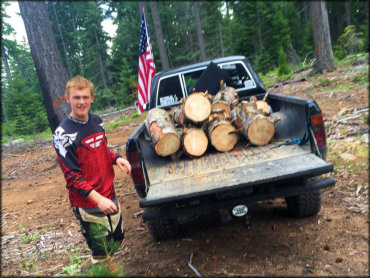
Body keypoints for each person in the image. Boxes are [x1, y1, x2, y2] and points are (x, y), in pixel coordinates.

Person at [52, 76, 131, 269]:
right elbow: (72, 178)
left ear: (92, 98)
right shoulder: (63, 135)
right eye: (76, 97)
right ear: (68, 99)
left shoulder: (97, 122)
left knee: (117, 239)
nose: (81, 102)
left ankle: (91, 267)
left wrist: (117, 158)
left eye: (85, 97)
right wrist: (98, 200)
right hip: (88, 203)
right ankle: (95, 270)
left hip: (108, 193)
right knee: (103, 252)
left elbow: (102, 151)